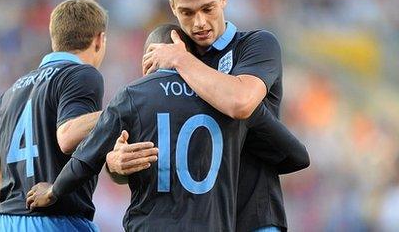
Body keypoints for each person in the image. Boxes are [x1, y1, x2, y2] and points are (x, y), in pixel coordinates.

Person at [26, 24, 309, 231]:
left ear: (151, 55)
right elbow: (296, 155)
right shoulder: (223, 99)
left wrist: (53, 191)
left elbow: (86, 159)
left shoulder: (133, 95)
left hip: (149, 224)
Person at [139, 0, 298, 231]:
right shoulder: (172, 62)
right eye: (187, 13)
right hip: (200, 220)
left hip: (252, 217)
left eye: (207, 8)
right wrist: (118, 163)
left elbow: (240, 102)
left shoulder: (257, 44)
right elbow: (150, 129)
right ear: (173, 8)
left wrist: (180, 60)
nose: (200, 22)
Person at [0, 0, 110, 231]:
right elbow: (66, 136)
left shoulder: (11, 93)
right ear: (99, 39)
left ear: (54, 39)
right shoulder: (82, 74)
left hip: (6, 224)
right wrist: (123, 109)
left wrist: (22, 209)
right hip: (58, 221)